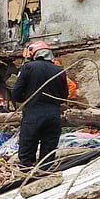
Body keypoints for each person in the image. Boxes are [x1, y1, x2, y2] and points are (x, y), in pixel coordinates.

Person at [10, 41, 68, 172]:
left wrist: (28, 99)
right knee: (48, 155)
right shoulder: (60, 71)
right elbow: (64, 96)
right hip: (53, 116)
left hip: (33, 115)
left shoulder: (28, 67)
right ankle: (45, 178)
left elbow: (16, 93)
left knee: (27, 154)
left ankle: (25, 179)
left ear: (34, 54)